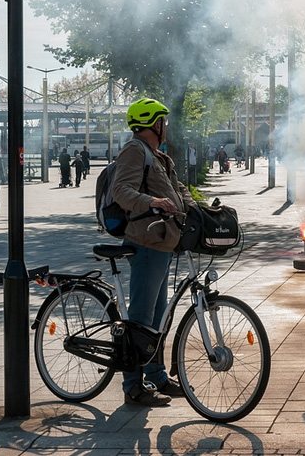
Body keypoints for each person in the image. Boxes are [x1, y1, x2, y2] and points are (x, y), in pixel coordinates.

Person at [111, 97, 194, 406]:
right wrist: (153, 202)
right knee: (142, 317)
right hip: (145, 242)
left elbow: (178, 190)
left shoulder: (158, 156)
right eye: (163, 121)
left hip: (163, 243)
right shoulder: (134, 150)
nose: (166, 127)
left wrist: (199, 208)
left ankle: (156, 375)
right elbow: (122, 191)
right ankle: (133, 384)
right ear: (151, 123)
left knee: (159, 317)